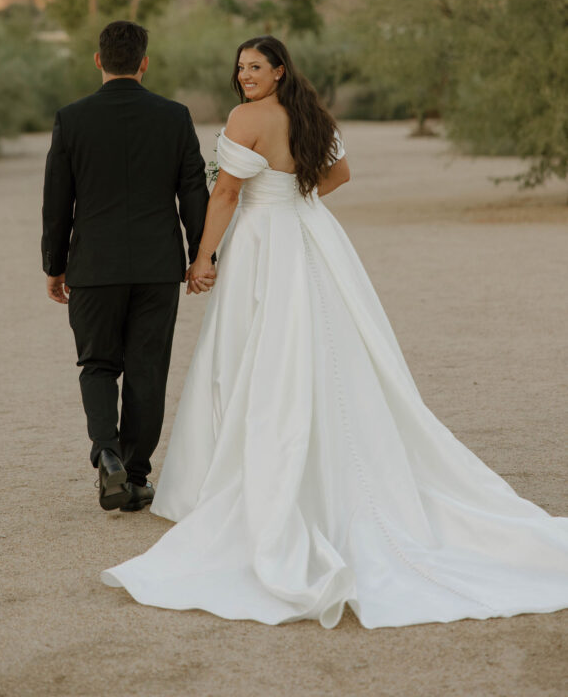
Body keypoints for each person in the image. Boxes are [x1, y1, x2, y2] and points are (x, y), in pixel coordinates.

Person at [101, 34, 568, 629]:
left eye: (255, 67)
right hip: (311, 235)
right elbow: (338, 173)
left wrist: (204, 257)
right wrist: (296, 196)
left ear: (278, 71)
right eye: (240, 67)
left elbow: (225, 191)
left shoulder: (248, 118)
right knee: (327, 344)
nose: (244, 75)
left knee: (257, 351)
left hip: (266, 240)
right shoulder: (311, 116)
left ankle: (248, 474)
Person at [42, 20, 215, 514]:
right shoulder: (174, 116)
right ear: (144, 62)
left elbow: (57, 202)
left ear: (98, 60)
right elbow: (193, 192)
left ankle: (108, 454)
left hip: (93, 266)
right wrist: (200, 255)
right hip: (159, 268)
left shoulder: (71, 119)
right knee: (147, 371)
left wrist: (54, 265)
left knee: (97, 364)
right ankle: (136, 477)